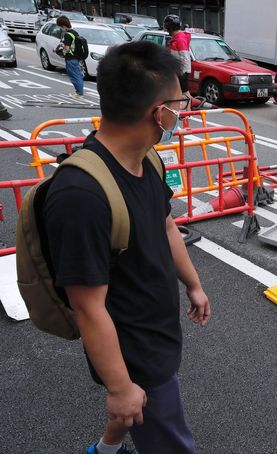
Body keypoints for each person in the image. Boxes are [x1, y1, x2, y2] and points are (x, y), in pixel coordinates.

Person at [43, 41, 210, 454]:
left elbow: (165, 223)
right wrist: (119, 387)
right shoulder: (81, 195)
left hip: (155, 324)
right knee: (169, 438)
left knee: (135, 413)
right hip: (133, 347)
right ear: (158, 112)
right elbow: (87, 306)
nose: (184, 111)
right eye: (180, 102)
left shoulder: (147, 159)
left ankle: (105, 450)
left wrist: (193, 283)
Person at [164, 15, 192, 101]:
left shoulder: (179, 40)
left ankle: (186, 112)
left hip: (180, 72)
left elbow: (185, 57)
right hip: (177, 71)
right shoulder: (176, 39)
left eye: (167, 27)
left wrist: (182, 73)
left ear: (170, 28)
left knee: (184, 95)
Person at [56, 16, 84, 99]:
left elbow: (67, 48)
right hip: (76, 57)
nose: (61, 28)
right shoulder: (75, 33)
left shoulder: (68, 35)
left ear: (63, 26)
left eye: (60, 26)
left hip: (71, 58)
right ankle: (80, 92)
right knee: (78, 75)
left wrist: (62, 45)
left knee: (74, 76)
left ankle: (79, 93)